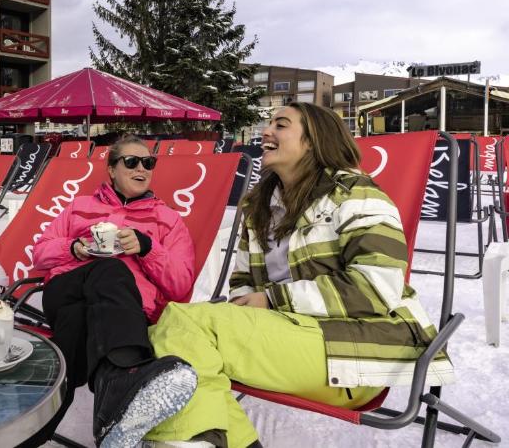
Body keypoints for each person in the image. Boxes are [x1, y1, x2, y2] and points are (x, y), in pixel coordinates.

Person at [143, 103, 455, 448]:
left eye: (281, 124)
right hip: (284, 335)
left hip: (352, 348)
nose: (266, 131)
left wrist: (273, 299)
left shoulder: (356, 195)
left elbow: (377, 288)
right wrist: (246, 304)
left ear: (313, 140)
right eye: (267, 122)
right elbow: (243, 280)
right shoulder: (259, 207)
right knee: (170, 335)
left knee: (184, 327)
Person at [30, 135, 199, 447]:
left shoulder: (168, 219)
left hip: (120, 313)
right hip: (67, 288)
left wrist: (149, 248)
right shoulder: (80, 207)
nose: (142, 168)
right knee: (111, 269)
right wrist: (76, 249)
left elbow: (181, 286)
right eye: (131, 162)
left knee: (76, 328)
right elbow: (39, 254)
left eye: (148, 162)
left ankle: (29, 431)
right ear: (111, 169)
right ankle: (126, 376)